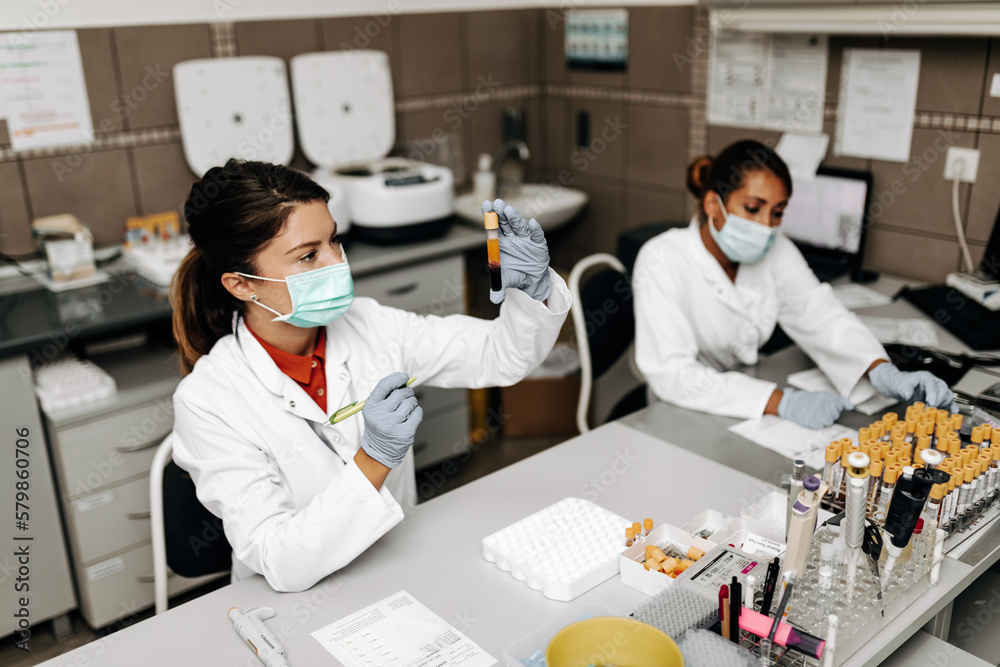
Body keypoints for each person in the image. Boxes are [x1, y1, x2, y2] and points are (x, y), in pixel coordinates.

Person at [170, 159, 570, 592]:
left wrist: (532, 290)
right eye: (308, 255)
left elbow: (498, 356)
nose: (336, 263)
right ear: (242, 285)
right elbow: (279, 560)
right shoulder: (208, 400)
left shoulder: (369, 324)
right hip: (294, 605)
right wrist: (374, 458)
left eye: (334, 241)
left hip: (399, 567)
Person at [633, 140, 955, 429]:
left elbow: (818, 313)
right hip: (678, 412)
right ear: (713, 205)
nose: (766, 226)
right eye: (753, 208)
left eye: (777, 213)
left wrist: (880, 369)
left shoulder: (775, 249)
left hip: (747, 398)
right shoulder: (662, 259)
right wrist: (782, 402)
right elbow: (672, 374)